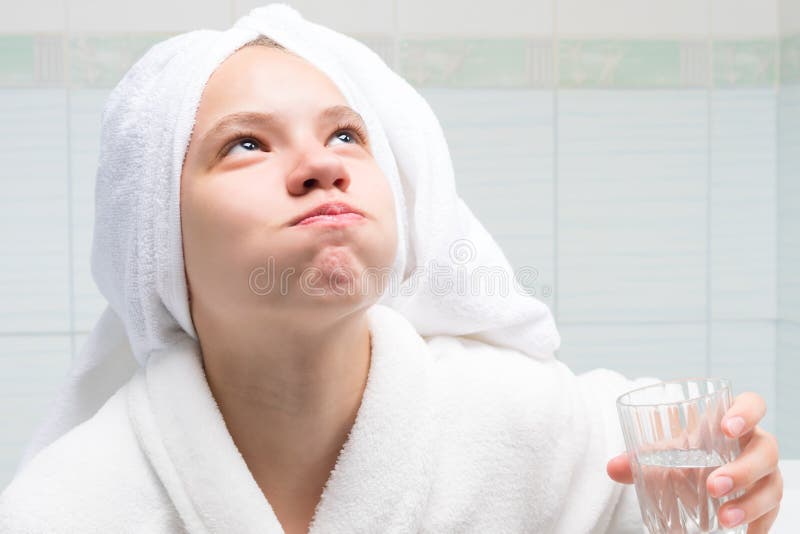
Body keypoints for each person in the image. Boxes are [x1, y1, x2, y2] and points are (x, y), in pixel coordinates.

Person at [0, 4, 783, 533]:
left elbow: (686, 504)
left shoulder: (524, 426)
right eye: (246, 143)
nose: (320, 166)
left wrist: (741, 495)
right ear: (157, 240)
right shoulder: (70, 507)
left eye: (346, 135)